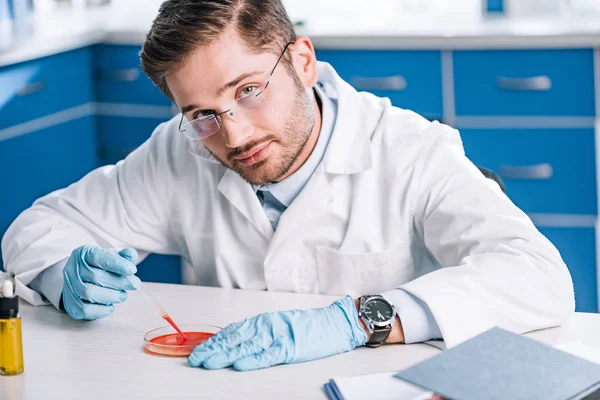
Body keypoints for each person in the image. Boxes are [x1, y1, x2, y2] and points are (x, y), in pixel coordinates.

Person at [1, 0, 574, 372]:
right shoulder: (182, 150)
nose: (233, 133)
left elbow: (537, 276)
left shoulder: (409, 150)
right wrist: (63, 274)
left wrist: (356, 319)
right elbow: (36, 229)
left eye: (248, 90)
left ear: (301, 61)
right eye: (201, 112)